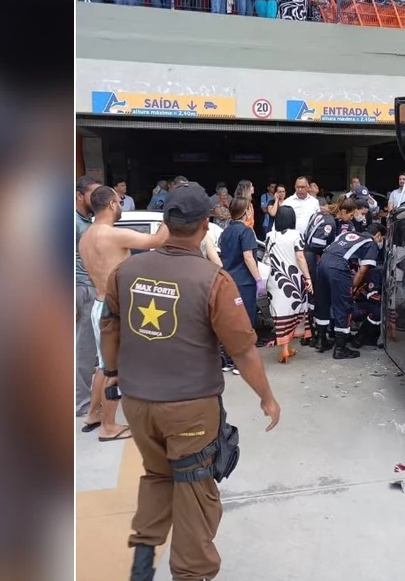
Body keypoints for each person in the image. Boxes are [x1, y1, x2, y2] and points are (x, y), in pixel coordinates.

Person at [98, 181, 280, 581]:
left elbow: (109, 325)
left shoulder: (126, 271)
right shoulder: (213, 280)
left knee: (157, 475)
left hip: (137, 403)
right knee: (195, 488)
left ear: (165, 222)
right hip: (190, 409)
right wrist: (266, 396)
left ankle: (142, 560)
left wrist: (112, 372)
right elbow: (244, 350)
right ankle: (190, 573)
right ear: (203, 227)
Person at [79, 186, 174, 441]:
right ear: (111, 204)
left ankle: (93, 414)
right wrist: (170, 213)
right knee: (116, 370)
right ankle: (108, 426)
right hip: (114, 310)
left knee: (104, 366)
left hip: (99, 305)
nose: (121, 205)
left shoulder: (86, 237)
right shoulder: (113, 235)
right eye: (119, 201)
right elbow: (157, 241)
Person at [315, 224, 382, 359]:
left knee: (323, 302)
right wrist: (350, 288)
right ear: (378, 235)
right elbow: (362, 270)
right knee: (343, 306)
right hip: (338, 267)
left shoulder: (346, 234)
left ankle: (321, 340)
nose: (381, 242)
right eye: (382, 239)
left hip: (322, 263)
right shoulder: (371, 243)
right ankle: (340, 348)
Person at [305, 198, 358, 348]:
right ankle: (323, 336)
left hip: (314, 259)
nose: (352, 218)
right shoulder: (333, 223)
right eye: (351, 215)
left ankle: (316, 336)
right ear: (343, 211)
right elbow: (319, 244)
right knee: (328, 299)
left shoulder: (322, 215)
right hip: (321, 260)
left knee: (318, 299)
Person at [217, 198, 262, 371]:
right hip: (244, 282)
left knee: (230, 321)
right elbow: (248, 257)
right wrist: (258, 279)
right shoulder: (246, 231)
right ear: (245, 212)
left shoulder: (225, 231)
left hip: (228, 281)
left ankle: (229, 359)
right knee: (245, 321)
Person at [265, 206, 313, 362]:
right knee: (294, 313)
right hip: (294, 280)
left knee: (281, 314)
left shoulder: (269, 235)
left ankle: (286, 348)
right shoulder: (296, 235)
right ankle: (286, 348)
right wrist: (308, 278)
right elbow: (300, 257)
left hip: (275, 280)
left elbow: (267, 257)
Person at [76, 175, 103, 417]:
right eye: (93, 194)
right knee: (82, 350)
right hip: (79, 289)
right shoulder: (73, 221)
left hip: (87, 288)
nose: (97, 199)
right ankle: (81, 403)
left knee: (84, 350)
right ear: (78, 196)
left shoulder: (86, 221)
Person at [350, 222, 387, 347]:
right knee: (379, 311)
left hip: (346, 296)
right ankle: (359, 338)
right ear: (378, 235)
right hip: (355, 302)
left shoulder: (357, 244)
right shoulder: (372, 263)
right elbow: (372, 296)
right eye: (382, 238)